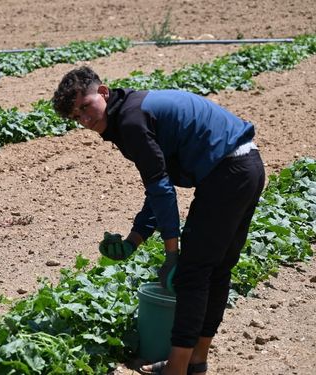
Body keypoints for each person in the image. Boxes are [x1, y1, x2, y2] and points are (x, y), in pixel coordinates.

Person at [52, 66, 265, 375]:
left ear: (103, 92)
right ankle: (194, 361)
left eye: (85, 107)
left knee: (191, 274)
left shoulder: (131, 121)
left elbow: (161, 189)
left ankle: (176, 369)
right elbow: (159, 186)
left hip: (228, 173)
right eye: (76, 118)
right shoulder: (132, 111)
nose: (85, 120)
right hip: (246, 167)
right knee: (215, 271)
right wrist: (133, 240)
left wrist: (172, 252)